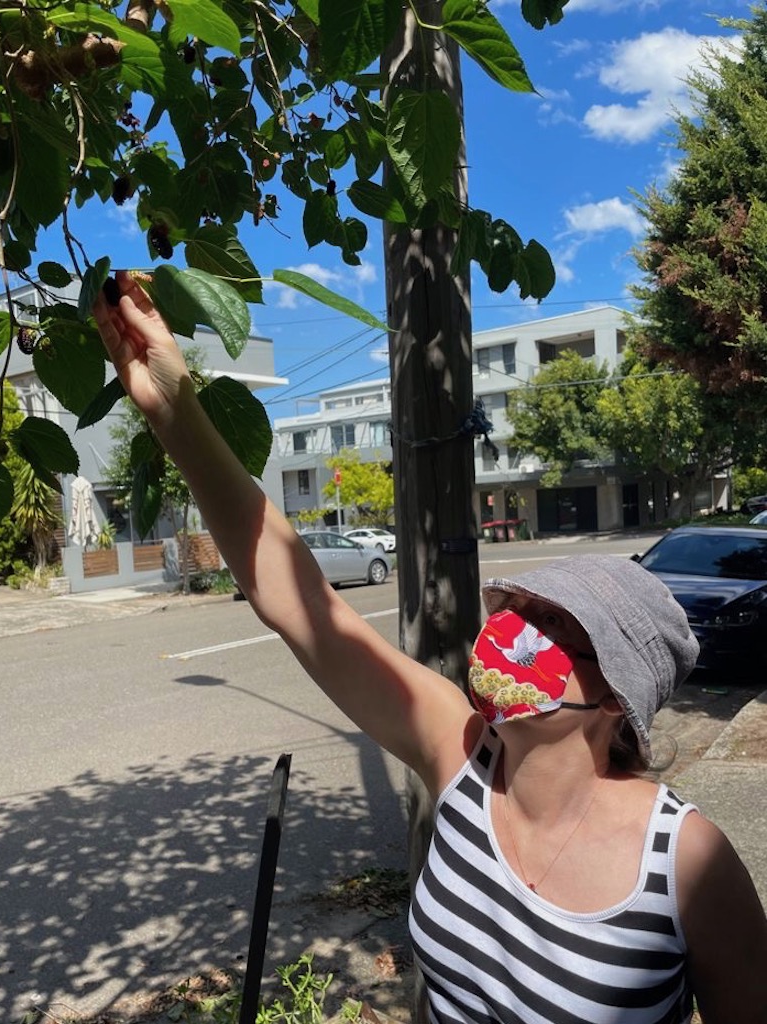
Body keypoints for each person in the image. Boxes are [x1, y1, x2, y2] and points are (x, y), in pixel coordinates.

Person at [94, 273, 767, 1024]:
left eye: (561, 628)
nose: (518, 634)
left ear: (617, 696)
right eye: (521, 609)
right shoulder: (458, 753)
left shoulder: (686, 864)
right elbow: (301, 605)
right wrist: (173, 411)